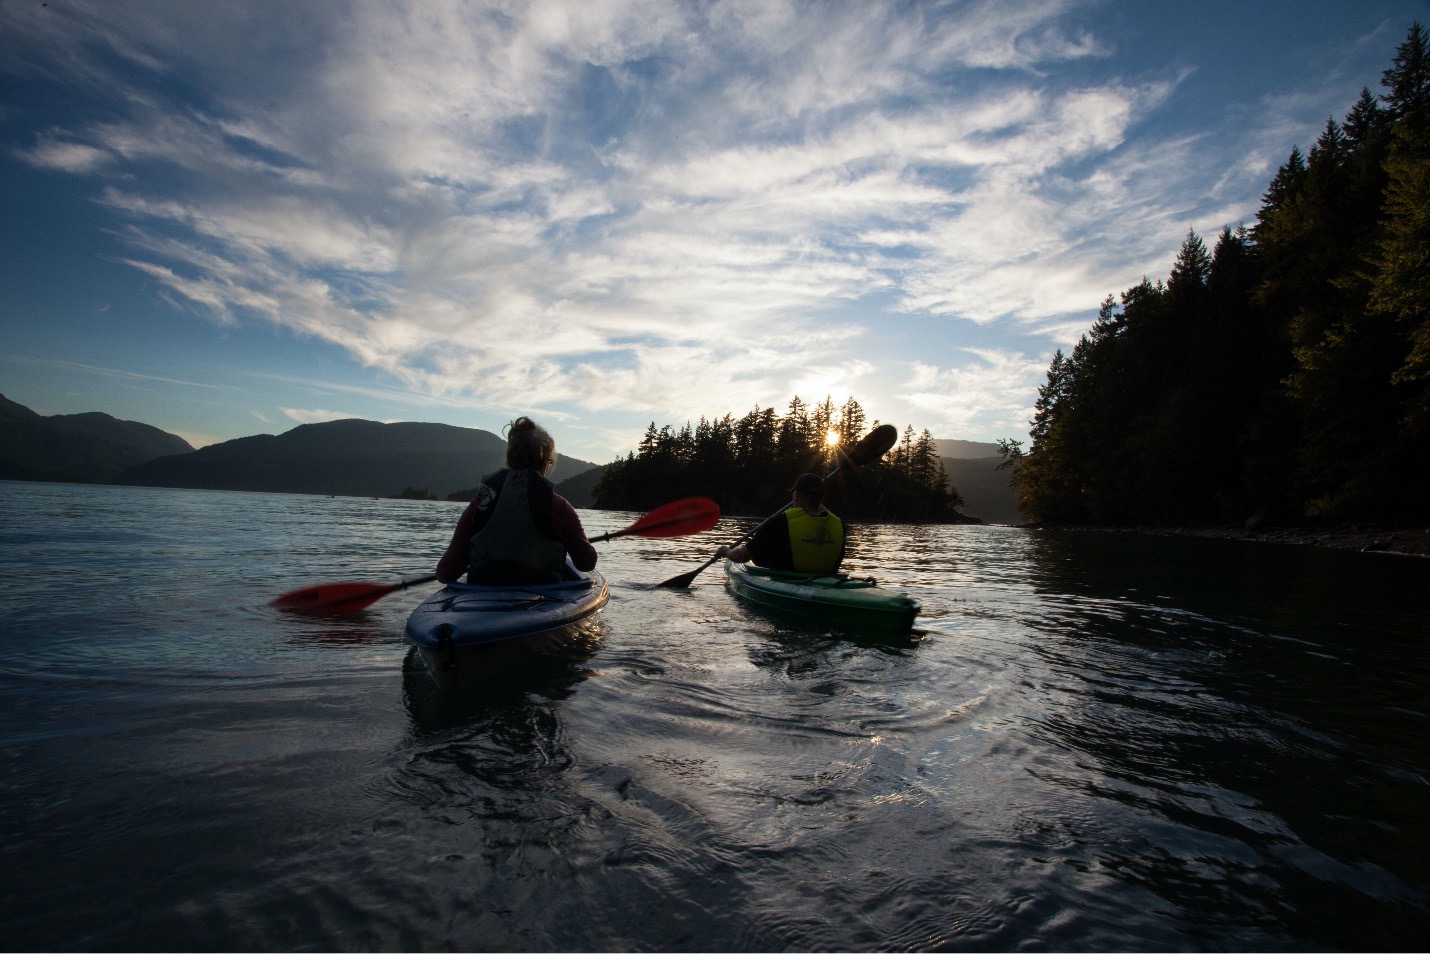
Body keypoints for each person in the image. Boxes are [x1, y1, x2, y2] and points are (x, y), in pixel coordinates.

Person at [436, 417, 597, 585]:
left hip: (482, 595)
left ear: (510, 458)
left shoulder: (481, 503)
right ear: (545, 462)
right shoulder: (557, 506)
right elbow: (586, 563)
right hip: (543, 597)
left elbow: (445, 572)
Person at [716, 472, 845, 573]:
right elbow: (818, 508)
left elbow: (740, 557)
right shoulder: (839, 525)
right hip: (826, 584)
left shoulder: (779, 522)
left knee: (759, 556)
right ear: (821, 498)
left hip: (786, 582)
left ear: (796, 496)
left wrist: (725, 551)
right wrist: (815, 496)